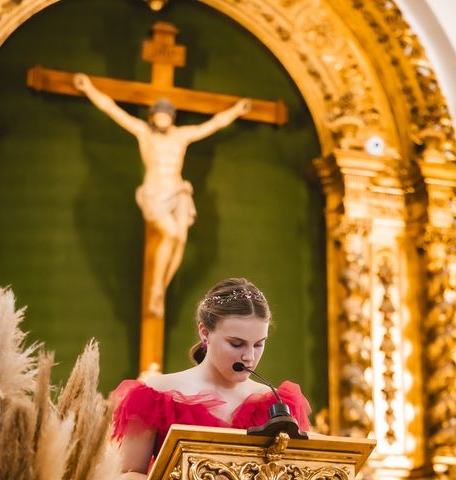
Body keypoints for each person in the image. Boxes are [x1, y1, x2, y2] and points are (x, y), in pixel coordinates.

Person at [73, 73, 252, 318]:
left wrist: (236, 111)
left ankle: (160, 289)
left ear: (172, 117)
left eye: (167, 114)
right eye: (159, 114)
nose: (163, 118)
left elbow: (213, 125)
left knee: (179, 240)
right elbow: (112, 110)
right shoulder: (144, 133)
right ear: (152, 116)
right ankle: (156, 286)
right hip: (155, 192)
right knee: (170, 233)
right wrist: (89, 88)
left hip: (177, 191)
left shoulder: (182, 136)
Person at [110, 278, 312, 479]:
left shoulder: (278, 405)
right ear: (204, 332)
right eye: (236, 344)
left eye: (259, 344)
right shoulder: (155, 394)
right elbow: (129, 474)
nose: (249, 357)